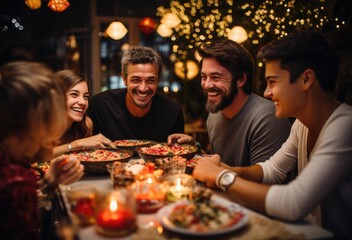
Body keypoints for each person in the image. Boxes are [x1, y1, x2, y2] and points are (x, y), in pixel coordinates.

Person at [192, 30, 352, 239]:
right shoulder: (302, 126)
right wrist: (228, 168)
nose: (266, 92)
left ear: (306, 80)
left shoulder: (345, 126)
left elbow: (293, 202)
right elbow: (272, 170)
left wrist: (221, 176)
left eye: (273, 82)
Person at [0, 61, 84, 239]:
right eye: (54, 120)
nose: (57, 135)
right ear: (33, 123)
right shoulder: (14, 180)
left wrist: (49, 181)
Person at [168, 38, 291, 167]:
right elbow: (220, 163)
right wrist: (194, 149)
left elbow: (263, 184)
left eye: (216, 77)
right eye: (204, 77)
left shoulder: (267, 117)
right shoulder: (214, 116)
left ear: (241, 79)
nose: (207, 85)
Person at [88, 46, 184, 142]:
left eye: (150, 81)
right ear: (124, 79)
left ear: (158, 81)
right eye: (136, 80)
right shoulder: (100, 105)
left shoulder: (173, 112)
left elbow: (178, 153)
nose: (143, 88)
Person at [52, 70, 115, 157]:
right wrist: (76, 144)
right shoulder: (38, 126)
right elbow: (34, 158)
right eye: (74, 95)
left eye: (85, 97)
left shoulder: (87, 124)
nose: (83, 102)